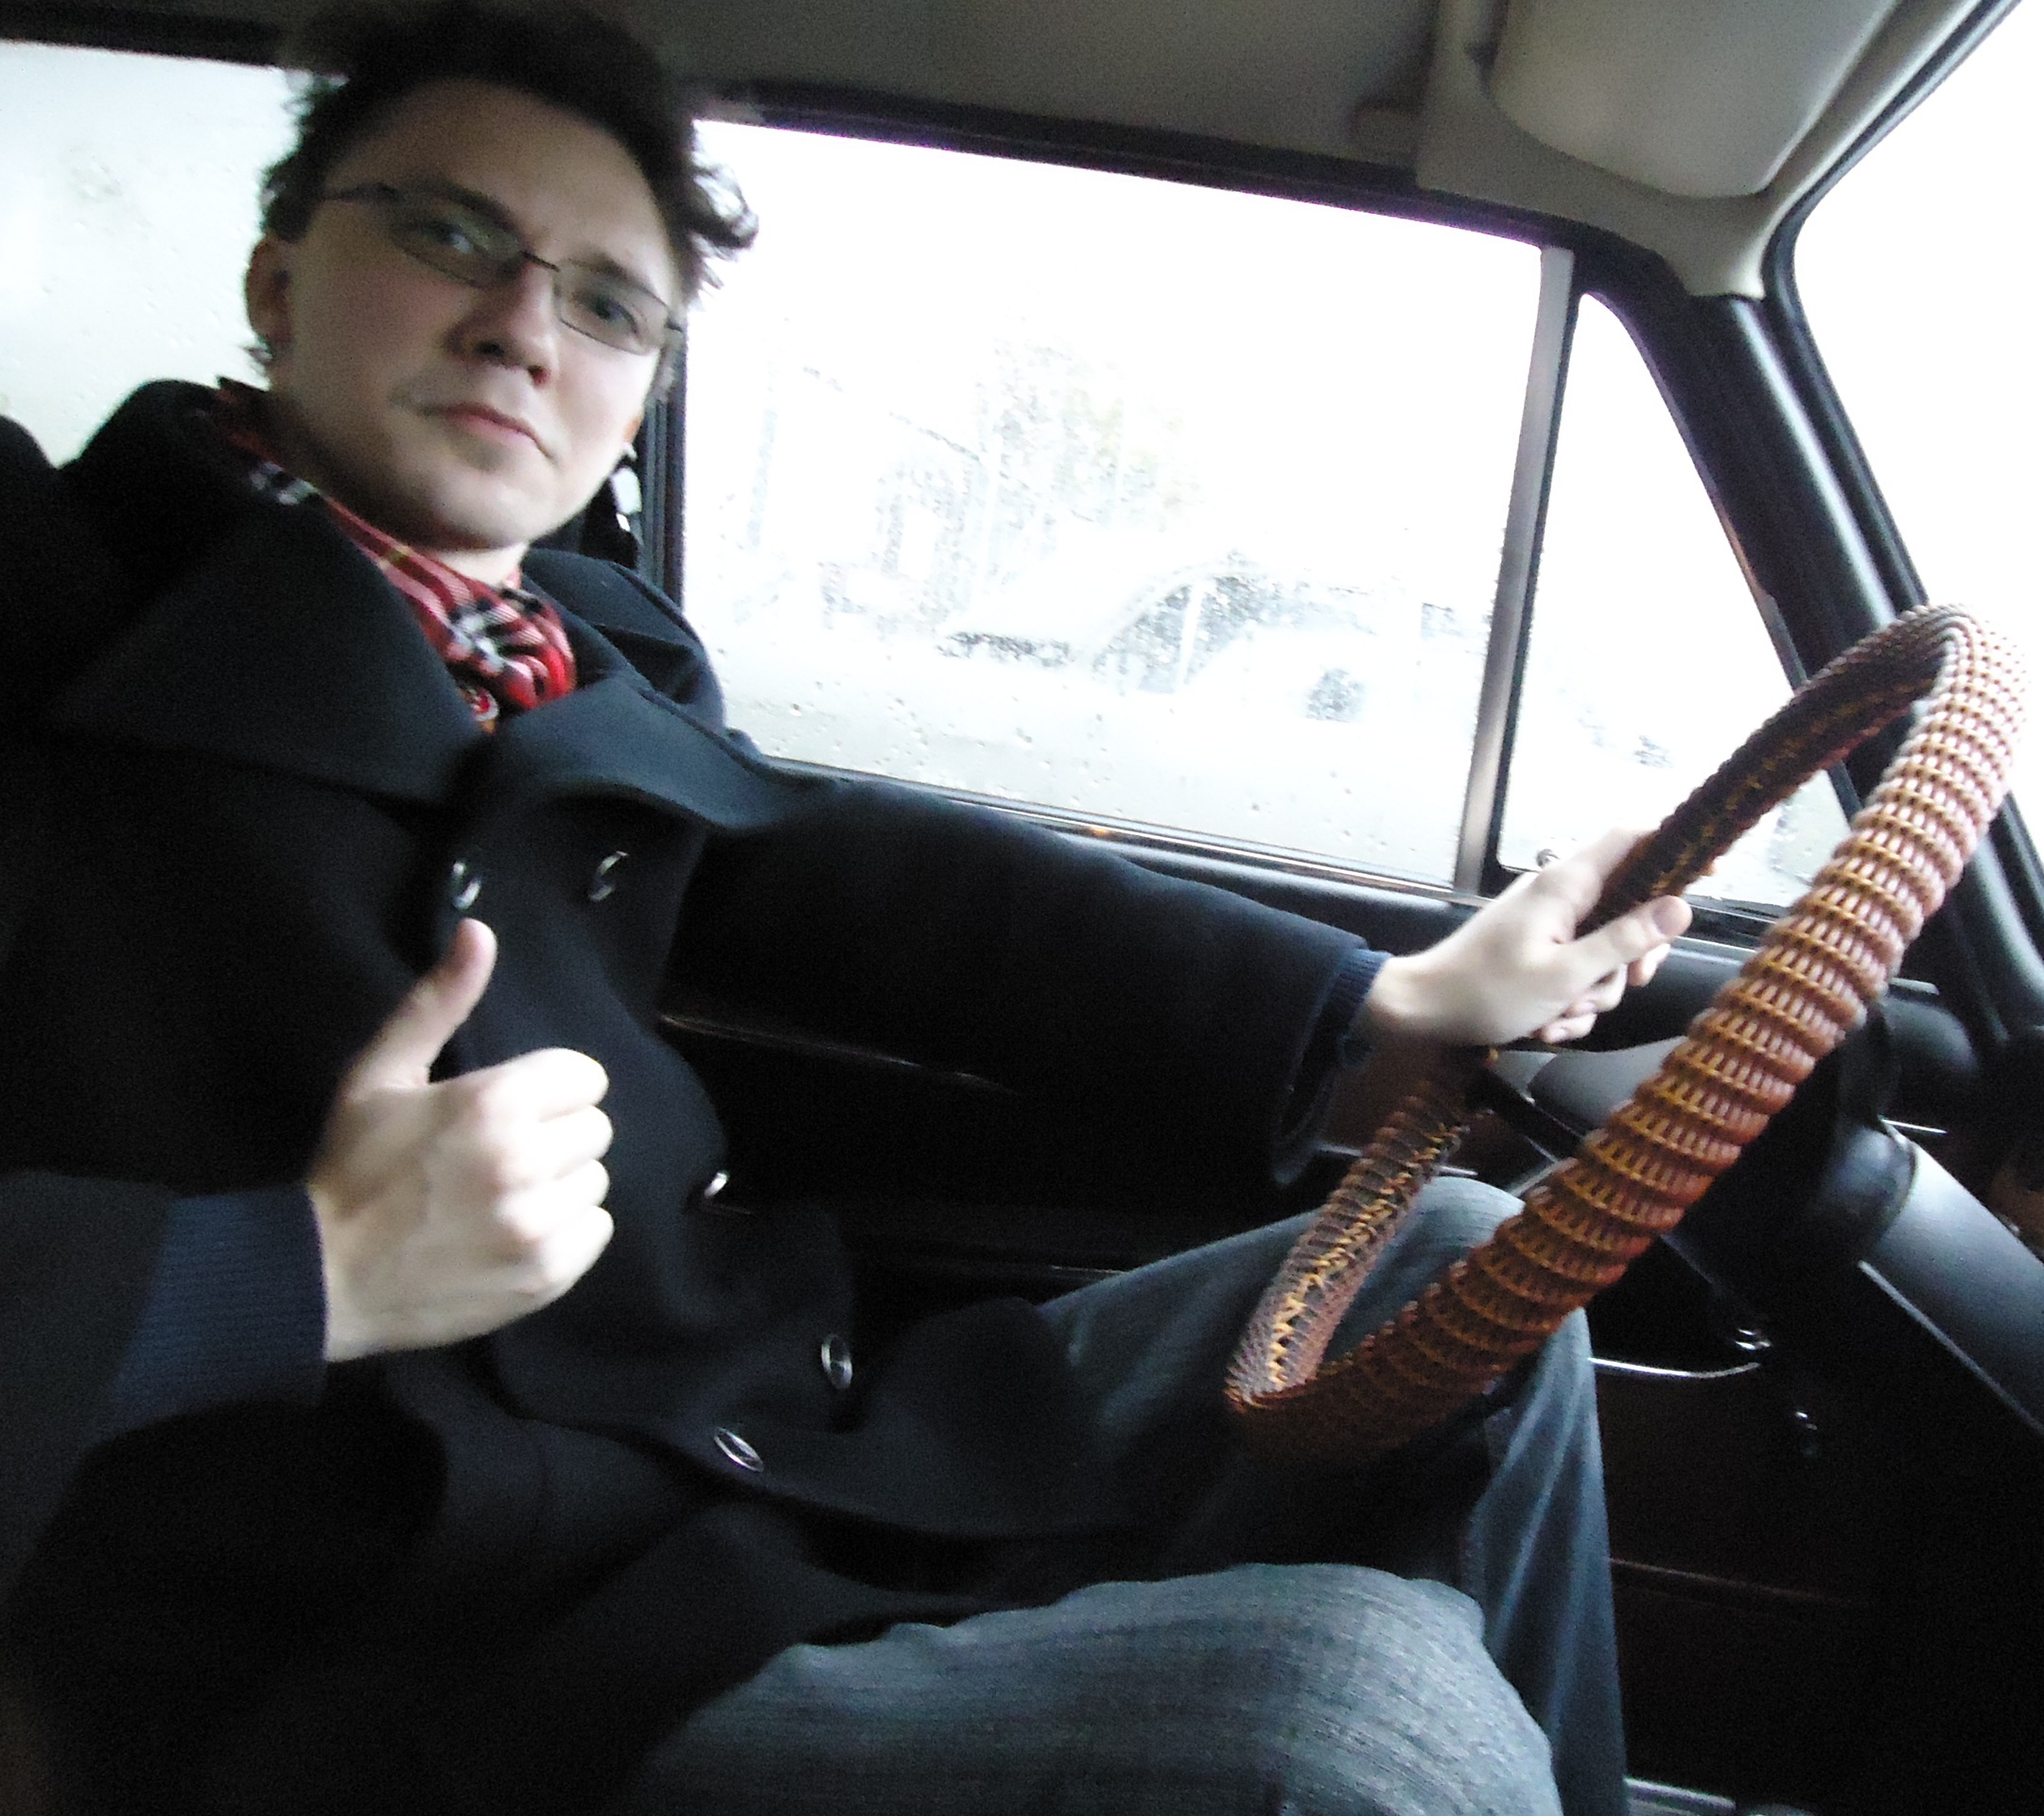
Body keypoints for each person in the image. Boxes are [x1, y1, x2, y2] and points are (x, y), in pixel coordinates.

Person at [0, 6, 1691, 1812]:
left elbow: (878, 883)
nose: (521, 328)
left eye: (607, 305)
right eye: (449, 233)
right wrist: (292, 1271)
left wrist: (1378, 1005)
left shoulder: (579, 667)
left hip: (747, 1455)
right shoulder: (53, 606)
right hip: (425, 1639)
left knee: (1471, 1272)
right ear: (276, 278)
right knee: (1364, 1712)